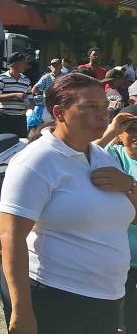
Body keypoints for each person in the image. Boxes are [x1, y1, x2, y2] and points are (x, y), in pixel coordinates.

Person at [0, 73, 137, 334]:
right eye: (90, 108)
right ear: (59, 112)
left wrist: (128, 185)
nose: (102, 116)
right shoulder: (37, 161)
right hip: (54, 295)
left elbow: (133, 216)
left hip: (106, 298)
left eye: (105, 108)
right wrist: (21, 311)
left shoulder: (99, 156)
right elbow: (10, 236)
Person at [94, 105, 137, 333]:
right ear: (120, 134)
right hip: (111, 257)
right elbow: (80, 156)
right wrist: (109, 132)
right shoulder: (110, 155)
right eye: (131, 129)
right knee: (109, 320)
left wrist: (128, 186)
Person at [0, 52, 31, 138]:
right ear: (15, 64)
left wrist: (31, 104)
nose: (26, 65)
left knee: (21, 145)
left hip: (20, 119)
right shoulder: (1, 78)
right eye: (23, 62)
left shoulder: (26, 80)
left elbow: (30, 98)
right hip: (4, 118)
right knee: (3, 145)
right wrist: (15, 95)